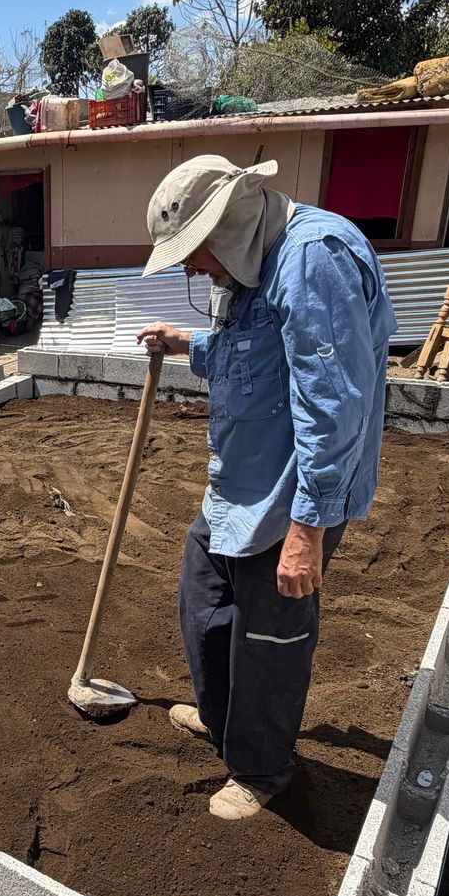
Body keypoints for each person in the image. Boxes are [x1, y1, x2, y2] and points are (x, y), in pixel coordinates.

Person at [135, 155, 396, 821]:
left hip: (291, 496)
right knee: (204, 602)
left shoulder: (314, 260)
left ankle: (260, 768)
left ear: (227, 226)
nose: (192, 268)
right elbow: (249, 349)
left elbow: (334, 404)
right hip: (238, 483)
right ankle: (226, 723)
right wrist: (185, 342)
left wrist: (306, 532)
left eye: (194, 254)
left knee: (271, 637)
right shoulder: (246, 261)